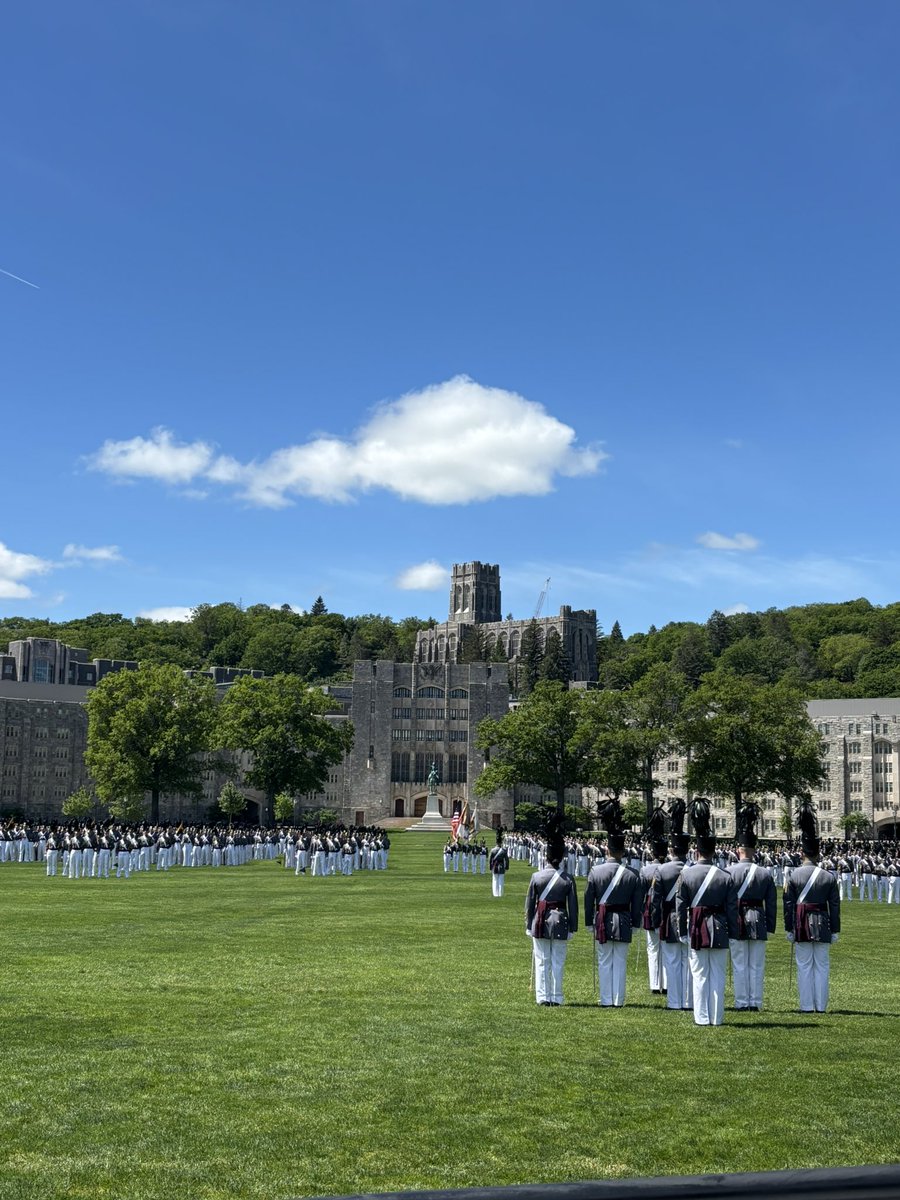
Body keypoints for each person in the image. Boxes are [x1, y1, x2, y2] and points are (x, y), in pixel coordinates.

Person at [675, 798, 738, 1027]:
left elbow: (680, 906)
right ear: (714, 851)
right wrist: (733, 932)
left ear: (697, 851)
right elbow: (732, 908)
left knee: (699, 974)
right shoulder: (725, 876)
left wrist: (682, 931)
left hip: (697, 926)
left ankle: (701, 1017)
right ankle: (716, 1017)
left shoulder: (687, 874)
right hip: (720, 927)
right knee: (718, 974)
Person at [784, 801, 841, 1014]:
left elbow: (788, 905)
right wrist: (835, 930)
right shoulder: (828, 877)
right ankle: (821, 1005)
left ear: (802, 853)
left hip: (801, 924)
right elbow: (834, 906)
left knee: (805, 966)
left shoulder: (794, 875)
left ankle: (807, 1006)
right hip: (823, 924)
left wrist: (789, 928)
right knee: (822, 966)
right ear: (818, 854)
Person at [584, 801, 642, 1008]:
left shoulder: (595, 872)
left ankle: (607, 998)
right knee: (620, 961)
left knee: (604, 960)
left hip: (602, 919)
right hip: (624, 919)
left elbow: (588, 898)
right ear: (623, 851)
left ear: (606, 848)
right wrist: (636, 923)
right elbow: (637, 903)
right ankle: (619, 999)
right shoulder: (633, 875)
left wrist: (589, 922)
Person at [727, 803, 777, 1012]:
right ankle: (755, 1002)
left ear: (739, 850)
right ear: (754, 850)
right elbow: (772, 902)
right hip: (758, 917)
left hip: (737, 917)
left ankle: (741, 1002)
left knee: (739, 962)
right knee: (756, 963)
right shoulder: (765, 873)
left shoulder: (729, 872)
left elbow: (726, 901)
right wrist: (770, 926)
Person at [524, 821, 578, 1006]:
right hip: (561, 920)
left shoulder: (536, 876)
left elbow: (530, 904)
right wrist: (573, 926)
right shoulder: (568, 879)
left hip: (539, 920)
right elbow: (573, 905)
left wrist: (527, 924)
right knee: (558, 960)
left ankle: (542, 997)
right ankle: (557, 996)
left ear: (546, 857)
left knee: (541, 960)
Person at [640, 806, 669, 996]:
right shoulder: (670, 869)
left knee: (652, 949)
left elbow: (641, 894)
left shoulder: (645, 870)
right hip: (666, 909)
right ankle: (665, 984)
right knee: (666, 948)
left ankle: (654, 983)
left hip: (650, 909)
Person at [488, 829, 510, 898]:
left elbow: (490, 859)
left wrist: (490, 867)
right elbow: (507, 859)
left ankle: (495, 894)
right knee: (501, 881)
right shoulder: (503, 851)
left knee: (495, 880)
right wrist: (507, 867)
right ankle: (500, 894)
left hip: (495, 866)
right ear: (501, 843)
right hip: (501, 865)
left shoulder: (492, 850)